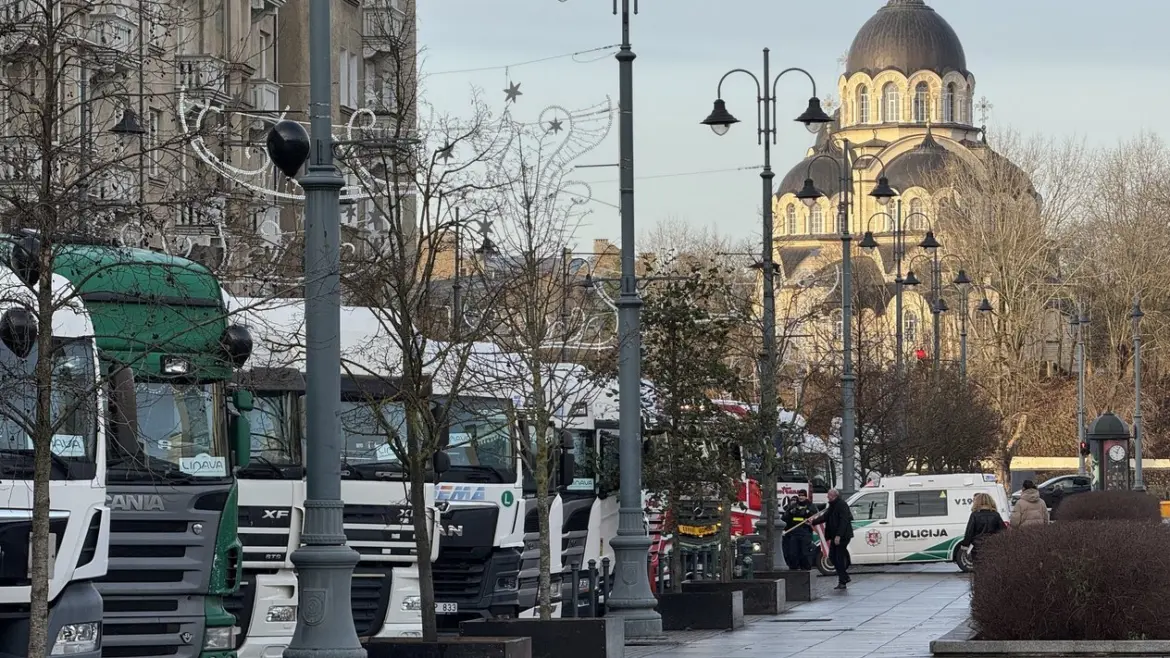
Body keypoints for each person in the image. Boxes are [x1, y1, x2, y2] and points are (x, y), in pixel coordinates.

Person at [811, 488, 853, 590]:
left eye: (829, 495)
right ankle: (844, 577)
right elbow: (825, 517)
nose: (827, 497)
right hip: (835, 536)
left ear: (834, 496)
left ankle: (843, 580)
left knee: (838, 557)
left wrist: (839, 535)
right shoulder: (832, 506)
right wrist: (813, 522)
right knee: (833, 557)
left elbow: (844, 521)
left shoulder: (842, 505)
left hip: (842, 536)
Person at [960, 492, 1005, 565]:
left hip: (978, 547)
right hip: (993, 546)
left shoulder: (975, 515)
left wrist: (965, 545)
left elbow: (969, 532)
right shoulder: (996, 515)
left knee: (979, 569)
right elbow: (1003, 531)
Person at [781, 490, 819, 571]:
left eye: (803, 495)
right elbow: (785, 518)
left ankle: (805, 568)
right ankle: (794, 568)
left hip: (805, 532)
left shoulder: (811, 506)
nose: (801, 497)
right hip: (794, 532)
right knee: (793, 552)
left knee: (805, 553)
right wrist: (790, 513)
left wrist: (808, 513)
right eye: (800, 495)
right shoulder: (793, 506)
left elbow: (816, 517)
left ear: (806, 496)